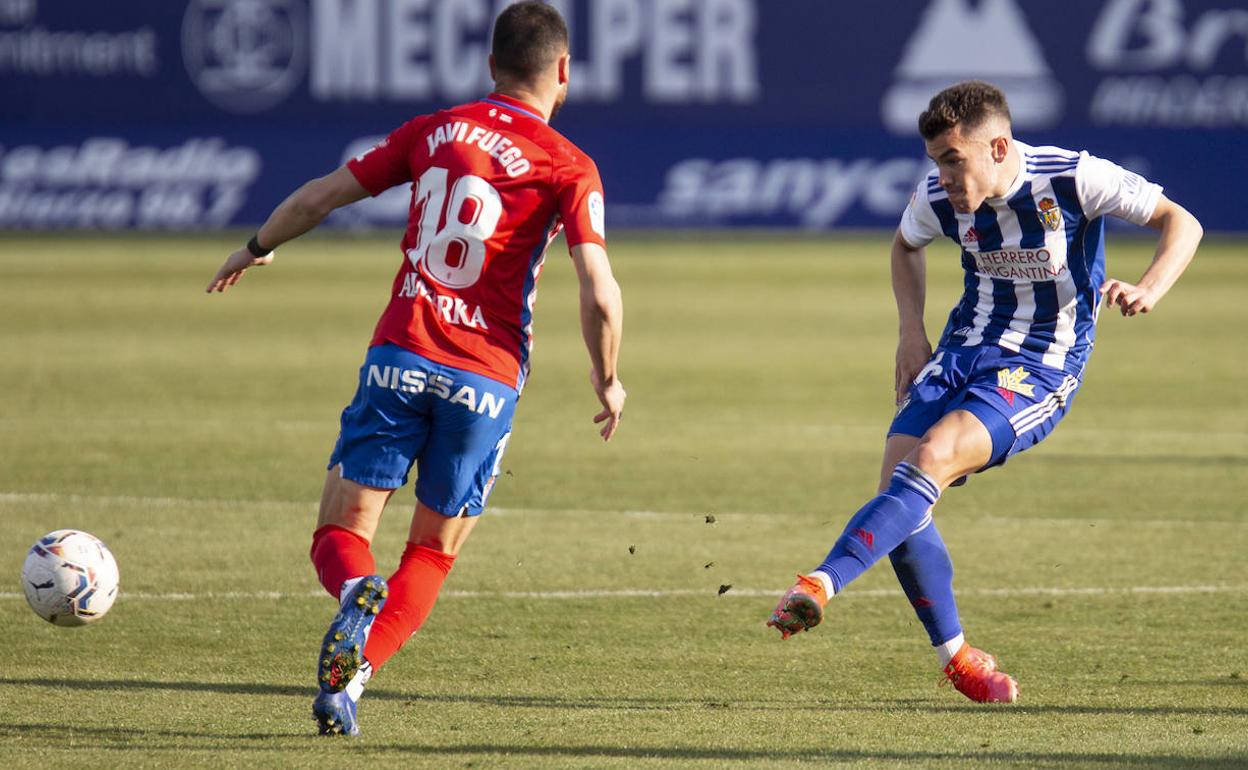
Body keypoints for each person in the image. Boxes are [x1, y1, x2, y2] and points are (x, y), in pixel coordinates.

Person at [206, 1, 625, 735]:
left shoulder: (434, 131)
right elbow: (598, 286)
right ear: (563, 71)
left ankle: (355, 592)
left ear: (491, 66)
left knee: (339, 532)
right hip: (486, 378)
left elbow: (321, 195)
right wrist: (607, 375)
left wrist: (258, 243)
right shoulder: (569, 165)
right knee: (432, 551)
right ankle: (350, 683)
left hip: (400, 354)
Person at [766, 80, 1202, 703]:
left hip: (1041, 365)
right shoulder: (937, 196)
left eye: (952, 159)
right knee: (900, 492)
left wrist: (1152, 286)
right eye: (935, 161)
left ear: (998, 147)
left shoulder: (1074, 178)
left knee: (932, 458)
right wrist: (909, 333)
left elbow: (1181, 221)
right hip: (961, 349)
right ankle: (960, 659)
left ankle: (820, 583)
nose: (941, 175)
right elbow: (905, 245)